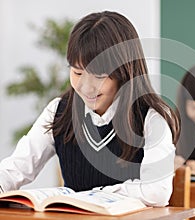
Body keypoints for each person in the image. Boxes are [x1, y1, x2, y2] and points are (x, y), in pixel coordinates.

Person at [0, 11, 179, 207]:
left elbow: (157, 193)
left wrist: (96, 195)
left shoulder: (151, 118)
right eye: (77, 72)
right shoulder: (58, 111)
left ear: (125, 71)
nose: (86, 87)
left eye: (99, 76)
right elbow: (17, 168)